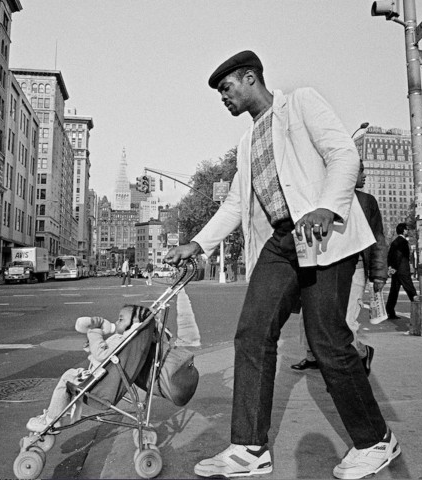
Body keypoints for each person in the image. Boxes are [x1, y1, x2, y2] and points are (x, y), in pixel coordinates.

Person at [164, 50, 397, 479]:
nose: (223, 98)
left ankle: (377, 441)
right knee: (252, 333)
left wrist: (328, 207)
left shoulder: (301, 103)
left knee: (328, 341)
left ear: (250, 78)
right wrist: (196, 245)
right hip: (282, 240)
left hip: (325, 237)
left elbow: (344, 155)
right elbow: (236, 203)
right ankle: (249, 447)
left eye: (226, 88)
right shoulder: (247, 142)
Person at [291, 160, 387, 376]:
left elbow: (377, 238)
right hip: (320, 264)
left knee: (345, 322)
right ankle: (313, 355)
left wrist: (379, 273)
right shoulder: (320, 196)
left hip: (356, 266)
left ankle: (359, 355)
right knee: (310, 315)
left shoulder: (366, 201)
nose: (364, 176)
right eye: (361, 171)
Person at [25, 304, 152, 433]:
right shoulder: (127, 341)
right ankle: (54, 414)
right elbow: (104, 352)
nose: (116, 322)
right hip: (104, 380)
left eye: (121, 319)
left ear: (135, 324)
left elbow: (101, 354)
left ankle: (52, 419)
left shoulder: (121, 340)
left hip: (100, 387)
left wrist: (95, 331)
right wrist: (92, 344)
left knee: (67, 378)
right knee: (71, 374)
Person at [385, 223, 417, 320]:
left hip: (396, 271)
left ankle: (390, 311)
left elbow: (390, 255)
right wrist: (395, 267)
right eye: (407, 229)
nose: (408, 231)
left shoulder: (394, 242)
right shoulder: (402, 242)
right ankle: (418, 309)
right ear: (403, 230)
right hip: (402, 270)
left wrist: (391, 267)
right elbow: (398, 255)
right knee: (411, 290)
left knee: (393, 292)